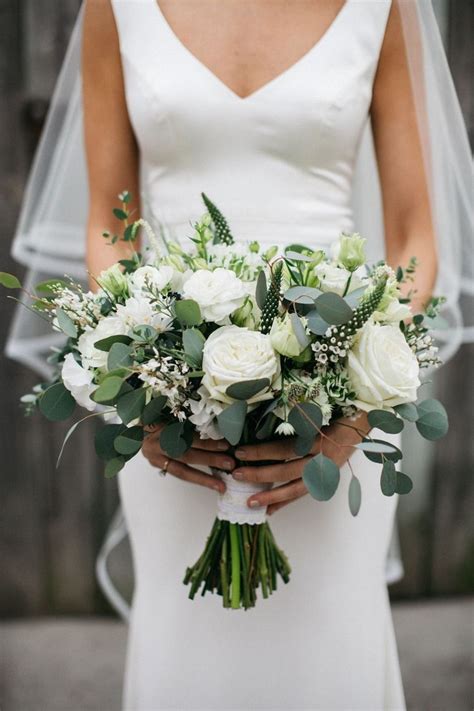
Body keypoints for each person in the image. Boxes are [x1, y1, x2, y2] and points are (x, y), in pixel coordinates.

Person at [8, 0, 466, 708]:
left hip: (335, 416)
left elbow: (414, 237)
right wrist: (142, 373)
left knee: (327, 663)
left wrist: (356, 411)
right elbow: (108, 218)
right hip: (171, 424)